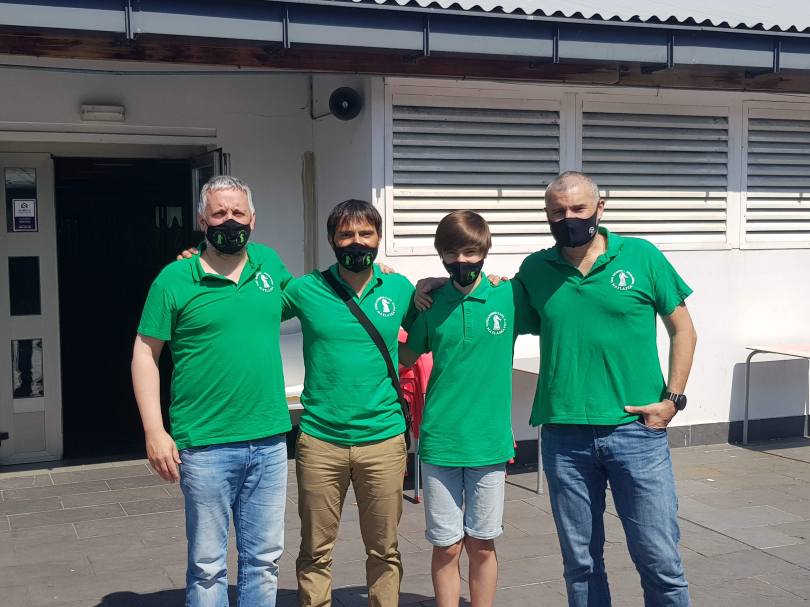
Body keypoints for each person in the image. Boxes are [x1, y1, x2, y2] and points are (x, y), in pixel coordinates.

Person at [514, 171, 697, 606]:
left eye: (578, 208)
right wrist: (435, 284)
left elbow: (684, 330)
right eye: (557, 211)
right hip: (565, 435)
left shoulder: (641, 256)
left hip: (636, 432)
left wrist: (672, 401)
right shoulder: (536, 269)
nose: (568, 218)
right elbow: (491, 306)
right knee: (581, 564)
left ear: (600, 207)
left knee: (659, 559)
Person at [131, 175, 291, 607]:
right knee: (206, 567)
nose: (230, 220)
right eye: (219, 213)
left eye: (238, 212)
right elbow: (145, 353)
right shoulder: (174, 279)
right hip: (205, 444)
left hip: (269, 440)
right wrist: (154, 431)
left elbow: (317, 298)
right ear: (202, 220)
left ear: (253, 219)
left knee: (264, 560)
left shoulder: (269, 265)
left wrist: (377, 272)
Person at [281, 199, 417, 607]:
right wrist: (207, 262)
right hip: (321, 440)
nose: (356, 241)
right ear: (332, 240)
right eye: (346, 234)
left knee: (385, 550)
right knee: (315, 550)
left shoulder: (399, 288)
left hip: (383, 439)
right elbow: (251, 306)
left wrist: (482, 281)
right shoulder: (305, 289)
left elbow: (432, 327)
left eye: (365, 233)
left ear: (379, 238)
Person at [400, 210, 534, 607]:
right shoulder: (431, 304)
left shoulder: (508, 296)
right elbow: (405, 354)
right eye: (452, 253)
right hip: (440, 442)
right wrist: (410, 296)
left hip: (489, 443)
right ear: (441, 254)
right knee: (446, 545)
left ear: (485, 251)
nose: (462, 261)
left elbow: (556, 312)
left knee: (482, 542)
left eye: (471, 252)